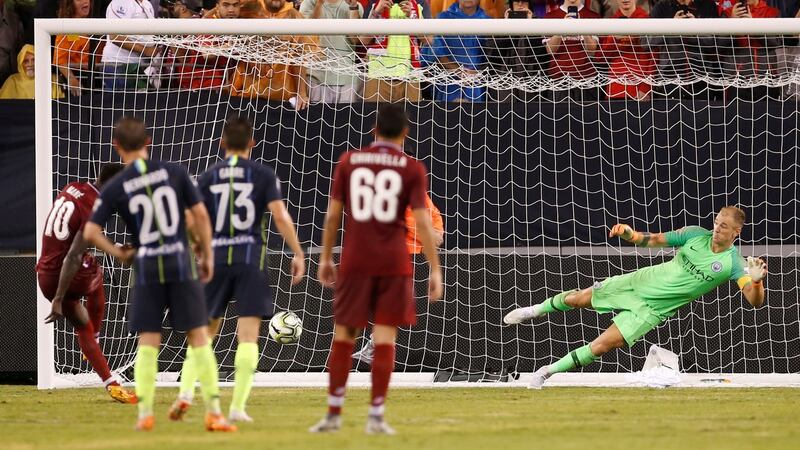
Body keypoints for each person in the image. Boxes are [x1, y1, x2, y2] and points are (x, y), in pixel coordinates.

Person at [83, 117, 236, 432]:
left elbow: (90, 231)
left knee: (148, 341)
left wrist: (119, 252)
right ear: (148, 141)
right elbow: (200, 216)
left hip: (147, 264)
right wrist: (206, 254)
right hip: (180, 261)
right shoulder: (174, 172)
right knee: (198, 338)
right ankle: (214, 413)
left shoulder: (116, 186)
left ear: (117, 146)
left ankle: (146, 414)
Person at [504, 207, 767, 389]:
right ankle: (534, 310)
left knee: (602, 346)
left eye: (724, 225)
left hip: (652, 310)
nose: (717, 228)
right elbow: (651, 240)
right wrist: (629, 234)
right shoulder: (694, 234)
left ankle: (546, 372)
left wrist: (756, 281)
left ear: (736, 232)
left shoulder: (734, 263)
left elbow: (755, 301)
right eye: (717, 222)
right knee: (577, 299)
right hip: (637, 283)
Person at [310, 103, 443, 434]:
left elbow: (332, 216)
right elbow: (425, 225)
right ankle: (376, 416)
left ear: (373, 131)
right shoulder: (411, 168)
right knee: (384, 339)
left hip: (356, 260)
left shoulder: (349, 162)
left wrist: (326, 257)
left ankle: (334, 413)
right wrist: (435, 269)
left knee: (344, 337)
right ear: (405, 133)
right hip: (394, 261)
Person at [169, 115, 306, 423]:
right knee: (248, 335)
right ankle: (238, 408)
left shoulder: (208, 176)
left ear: (222, 143)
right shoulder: (262, 175)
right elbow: (281, 216)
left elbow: (192, 219)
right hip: (250, 259)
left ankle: (186, 393)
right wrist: (297, 252)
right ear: (252, 144)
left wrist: (196, 246)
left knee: (204, 332)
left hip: (216, 258)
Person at [37, 163, 136, 403]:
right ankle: (97, 338)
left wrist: (57, 297)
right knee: (95, 272)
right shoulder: (96, 207)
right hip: (66, 273)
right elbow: (72, 255)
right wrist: (58, 299)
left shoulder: (72, 188)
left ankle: (111, 383)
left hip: (44, 274)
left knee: (83, 328)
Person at [352, 193, 444, 365]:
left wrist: (436, 232)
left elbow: (434, 214)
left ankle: (378, 347)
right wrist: (430, 234)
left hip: (413, 254)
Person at [299, 0, 363, 103]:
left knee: (345, 119)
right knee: (315, 118)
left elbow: (355, 39)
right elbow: (306, 35)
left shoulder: (355, 5)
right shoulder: (308, 3)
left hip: (346, 77)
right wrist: (319, 4)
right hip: (316, 77)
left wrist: (353, 7)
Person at [54, 0, 94, 97]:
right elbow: (60, 60)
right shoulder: (66, 28)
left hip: (98, 76)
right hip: (79, 78)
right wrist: (71, 79)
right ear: (70, 4)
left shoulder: (94, 23)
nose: (85, 1)